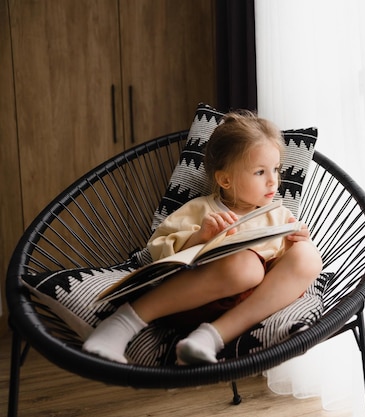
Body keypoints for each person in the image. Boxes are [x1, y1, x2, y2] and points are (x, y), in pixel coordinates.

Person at [83, 110, 323, 365]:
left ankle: (209, 338)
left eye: (276, 169)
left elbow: (284, 271)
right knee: (247, 269)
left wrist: (297, 241)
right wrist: (199, 236)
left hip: (251, 305)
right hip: (195, 300)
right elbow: (158, 249)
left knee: (308, 256)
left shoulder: (279, 215)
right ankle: (123, 322)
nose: (273, 181)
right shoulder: (202, 209)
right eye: (260, 172)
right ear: (225, 180)